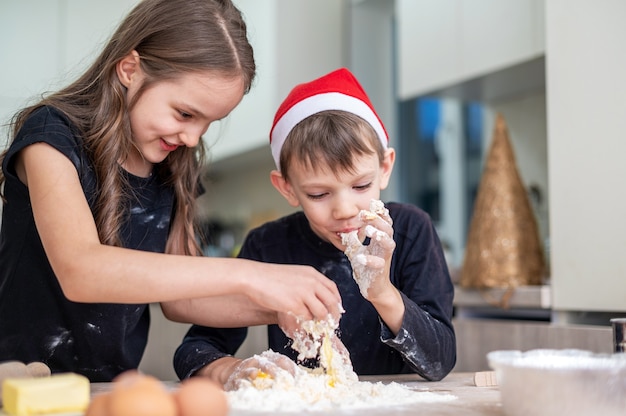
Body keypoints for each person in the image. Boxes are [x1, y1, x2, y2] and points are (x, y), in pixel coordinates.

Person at [0, 0, 342, 383]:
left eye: (209, 122)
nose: (193, 137)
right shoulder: (50, 138)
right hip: (17, 383)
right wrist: (251, 275)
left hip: (107, 390)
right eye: (184, 113)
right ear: (129, 69)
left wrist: (279, 305)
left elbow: (183, 300)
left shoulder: (172, 164)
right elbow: (81, 269)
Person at [173, 68, 457, 385]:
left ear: (384, 168)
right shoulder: (269, 246)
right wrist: (228, 368)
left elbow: (440, 360)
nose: (345, 210)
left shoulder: (410, 230)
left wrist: (382, 292)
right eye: (318, 194)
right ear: (288, 188)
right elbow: (195, 348)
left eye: (361, 186)